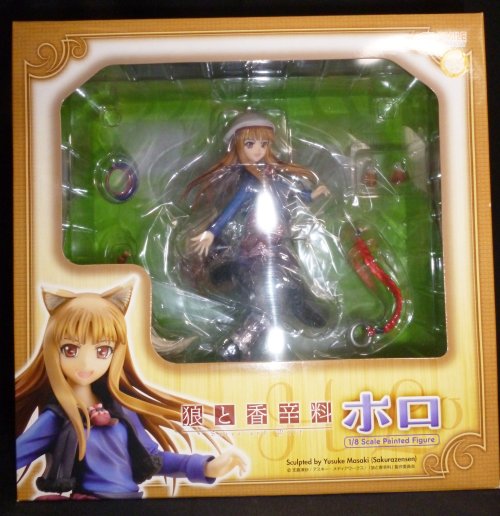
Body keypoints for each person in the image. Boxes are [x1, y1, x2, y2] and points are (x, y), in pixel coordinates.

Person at [16, 283, 246, 499]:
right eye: (70, 349)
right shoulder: (58, 418)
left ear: (116, 352)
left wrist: (207, 466)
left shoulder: (121, 410)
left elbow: (153, 459)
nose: (86, 363)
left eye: (102, 351)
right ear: (53, 348)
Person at [183, 112, 331, 360]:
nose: (258, 150)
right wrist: (211, 232)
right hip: (257, 247)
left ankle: (294, 302)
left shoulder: (274, 178)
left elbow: (294, 194)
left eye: (264, 144)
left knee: (285, 279)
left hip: (278, 244)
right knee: (270, 296)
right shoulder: (249, 184)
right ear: (238, 146)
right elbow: (230, 210)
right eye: (250, 144)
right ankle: (237, 344)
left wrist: (312, 195)